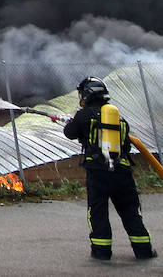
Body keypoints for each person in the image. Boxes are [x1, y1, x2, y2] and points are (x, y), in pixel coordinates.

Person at [63, 76, 158, 261]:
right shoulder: (118, 118)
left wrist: (72, 122)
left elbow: (69, 133)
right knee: (131, 211)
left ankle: (101, 252)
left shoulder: (83, 115)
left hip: (98, 173)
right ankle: (144, 251)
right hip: (122, 172)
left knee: (98, 212)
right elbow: (126, 147)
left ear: (87, 95)